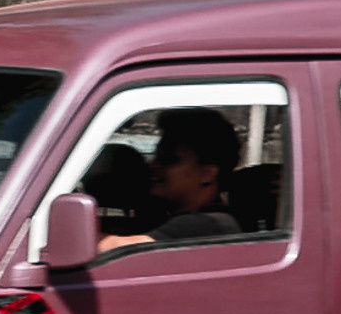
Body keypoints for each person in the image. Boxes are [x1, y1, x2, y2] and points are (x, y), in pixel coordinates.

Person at [98, 108, 242, 252]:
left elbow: (122, 250)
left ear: (207, 174)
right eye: (156, 157)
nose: (153, 165)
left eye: (168, 159)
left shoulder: (208, 223)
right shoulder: (170, 220)